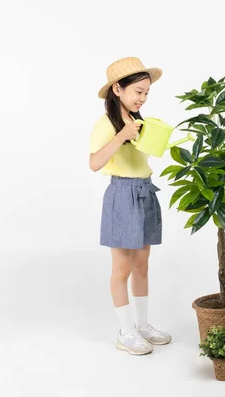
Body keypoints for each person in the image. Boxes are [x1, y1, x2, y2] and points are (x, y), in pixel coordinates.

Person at [89, 57, 172, 355]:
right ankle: (125, 332)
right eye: (138, 91)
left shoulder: (141, 123)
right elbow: (94, 163)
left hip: (145, 191)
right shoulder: (106, 124)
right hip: (122, 195)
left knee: (141, 265)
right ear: (117, 89)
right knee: (121, 267)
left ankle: (142, 325)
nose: (142, 98)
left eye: (146, 92)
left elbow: (144, 156)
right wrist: (121, 136)